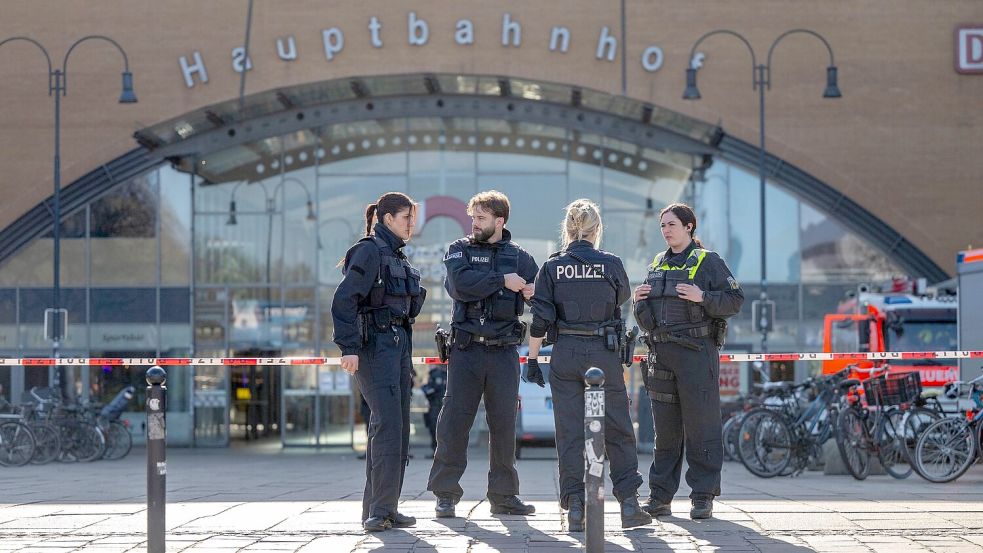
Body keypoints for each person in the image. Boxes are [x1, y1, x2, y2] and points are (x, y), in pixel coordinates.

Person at [526, 199, 652, 531]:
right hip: (603, 352)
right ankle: (628, 505)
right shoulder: (611, 264)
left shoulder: (552, 267)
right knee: (619, 430)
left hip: (565, 353)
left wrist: (533, 360)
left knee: (569, 434)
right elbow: (622, 298)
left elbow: (539, 320)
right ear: (597, 230)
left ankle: (576, 508)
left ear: (567, 229)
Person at [427, 190, 539, 518]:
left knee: (504, 425)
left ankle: (504, 497)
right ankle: (445, 495)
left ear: (499, 221)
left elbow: (541, 299)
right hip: (466, 349)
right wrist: (504, 280)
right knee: (454, 423)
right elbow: (460, 286)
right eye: (472, 217)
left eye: (481, 218)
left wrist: (532, 293)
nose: (473, 223)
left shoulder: (521, 258)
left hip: (504, 352)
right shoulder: (458, 250)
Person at [633, 203, 744, 520]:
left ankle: (702, 496)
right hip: (661, 355)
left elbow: (735, 300)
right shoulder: (656, 264)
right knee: (665, 432)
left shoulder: (708, 262)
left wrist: (703, 298)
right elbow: (645, 318)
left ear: (689, 227)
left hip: (697, 353)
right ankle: (659, 497)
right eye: (662, 225)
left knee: (701, 427)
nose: (666, 230)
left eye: (671, 224)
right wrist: (640, 303)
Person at [331, 192, 427, 532]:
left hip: (398, 347)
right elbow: (344, 300)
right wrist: (348, 347)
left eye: (412, 218)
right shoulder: (369, 251)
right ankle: (380, 511)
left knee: (398, 429)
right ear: (387, 219)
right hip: (375, 347)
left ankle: (384, 507)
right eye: (405, 218)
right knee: (386, 425)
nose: (411, 223)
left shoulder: (398, 256)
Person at [421, 365, 447, 458]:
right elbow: (425, 387)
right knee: (434, 428)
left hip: (447, 405)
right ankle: (436, 451)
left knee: (447, 429)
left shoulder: (453, 372)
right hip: (435, 405)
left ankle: (445, 452)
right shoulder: (434, 373)